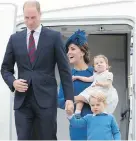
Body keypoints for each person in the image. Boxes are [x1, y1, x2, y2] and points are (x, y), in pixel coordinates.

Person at [1, 0, 74, 140]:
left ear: (40, 14)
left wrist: (69, 98)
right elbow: (5, 69)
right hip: (23, 101)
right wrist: (13, 82)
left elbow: (65, 70)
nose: (29, 22)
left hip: (46, 100)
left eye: (33, 17)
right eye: (26, 18)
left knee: (47, 137)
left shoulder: (54, 37)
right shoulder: (15, 39)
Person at [58, 29, 94, 140]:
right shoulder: (67, 76)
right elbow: (60, 100)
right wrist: (75, 100)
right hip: (77, 127)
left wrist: (80, 98)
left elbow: (105, 96)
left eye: (73, 49)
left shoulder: (94, 73)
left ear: (82, 52)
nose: (69, 52)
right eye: (68, 50)